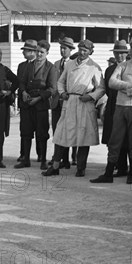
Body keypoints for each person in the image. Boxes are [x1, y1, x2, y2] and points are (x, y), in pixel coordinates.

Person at [89, 34, 132, 183]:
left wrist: (124, 88)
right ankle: (109, 173)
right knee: (114, 141)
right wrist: (130, 86)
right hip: (120, 107)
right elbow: (111, 82)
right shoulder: (122, 65)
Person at [43, 39, 104, 177]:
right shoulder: (70, 65)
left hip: (84, 103)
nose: (82, 52)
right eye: (81, 49)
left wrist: (91, 96)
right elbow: (60, 81)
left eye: (85, 50)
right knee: (61, 134)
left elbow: (101, 88)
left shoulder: (94, 67)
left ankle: (81, 168)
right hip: (69, 102)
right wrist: (63, 92)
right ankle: (56, 166)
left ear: (90, 52)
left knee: (84, 136)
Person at [15, 40, 58, 170]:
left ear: (47, 53)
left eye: (42, 52)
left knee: (42, 134)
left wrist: (39, 98)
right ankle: (25, 159)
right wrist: (23, 92)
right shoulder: (28, 66)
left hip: (41, 106)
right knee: (26, 132)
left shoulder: (51, 68)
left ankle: (43, 160)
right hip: (27, 104)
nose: (39, 54)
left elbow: (52, 88)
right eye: (38, 51)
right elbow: (21, 82)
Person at [101, 40, 130, 177]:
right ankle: (116, 166)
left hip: (126, 105)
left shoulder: (130, 68)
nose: (119, 56)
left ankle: (127, 167)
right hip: (112, 105)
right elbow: (107, 89)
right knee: (113, 137)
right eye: (117, 53)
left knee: (127, 138)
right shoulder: (109, 70)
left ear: (126, 54)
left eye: (122, 53)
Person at [51, 37, 75, 169]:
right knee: (56, 132)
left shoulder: (73, 64)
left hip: (68, 102)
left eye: (65, 48)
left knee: (67, 131)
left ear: (70, 50)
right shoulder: (55, 64)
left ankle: (65, 159)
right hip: (56, 103)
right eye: (61, 48)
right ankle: (57, 158)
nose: (62, 50)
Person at [16, 40, 38, 164]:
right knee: (24, 130)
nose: (23, 52)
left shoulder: (39, 65)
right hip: (24, 103)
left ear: (32, 52)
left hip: (37, 102)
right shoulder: (21, 66)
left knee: (39, 130)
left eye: (26, 50)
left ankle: (40, 155)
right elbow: (20, 82)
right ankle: (23, 154)